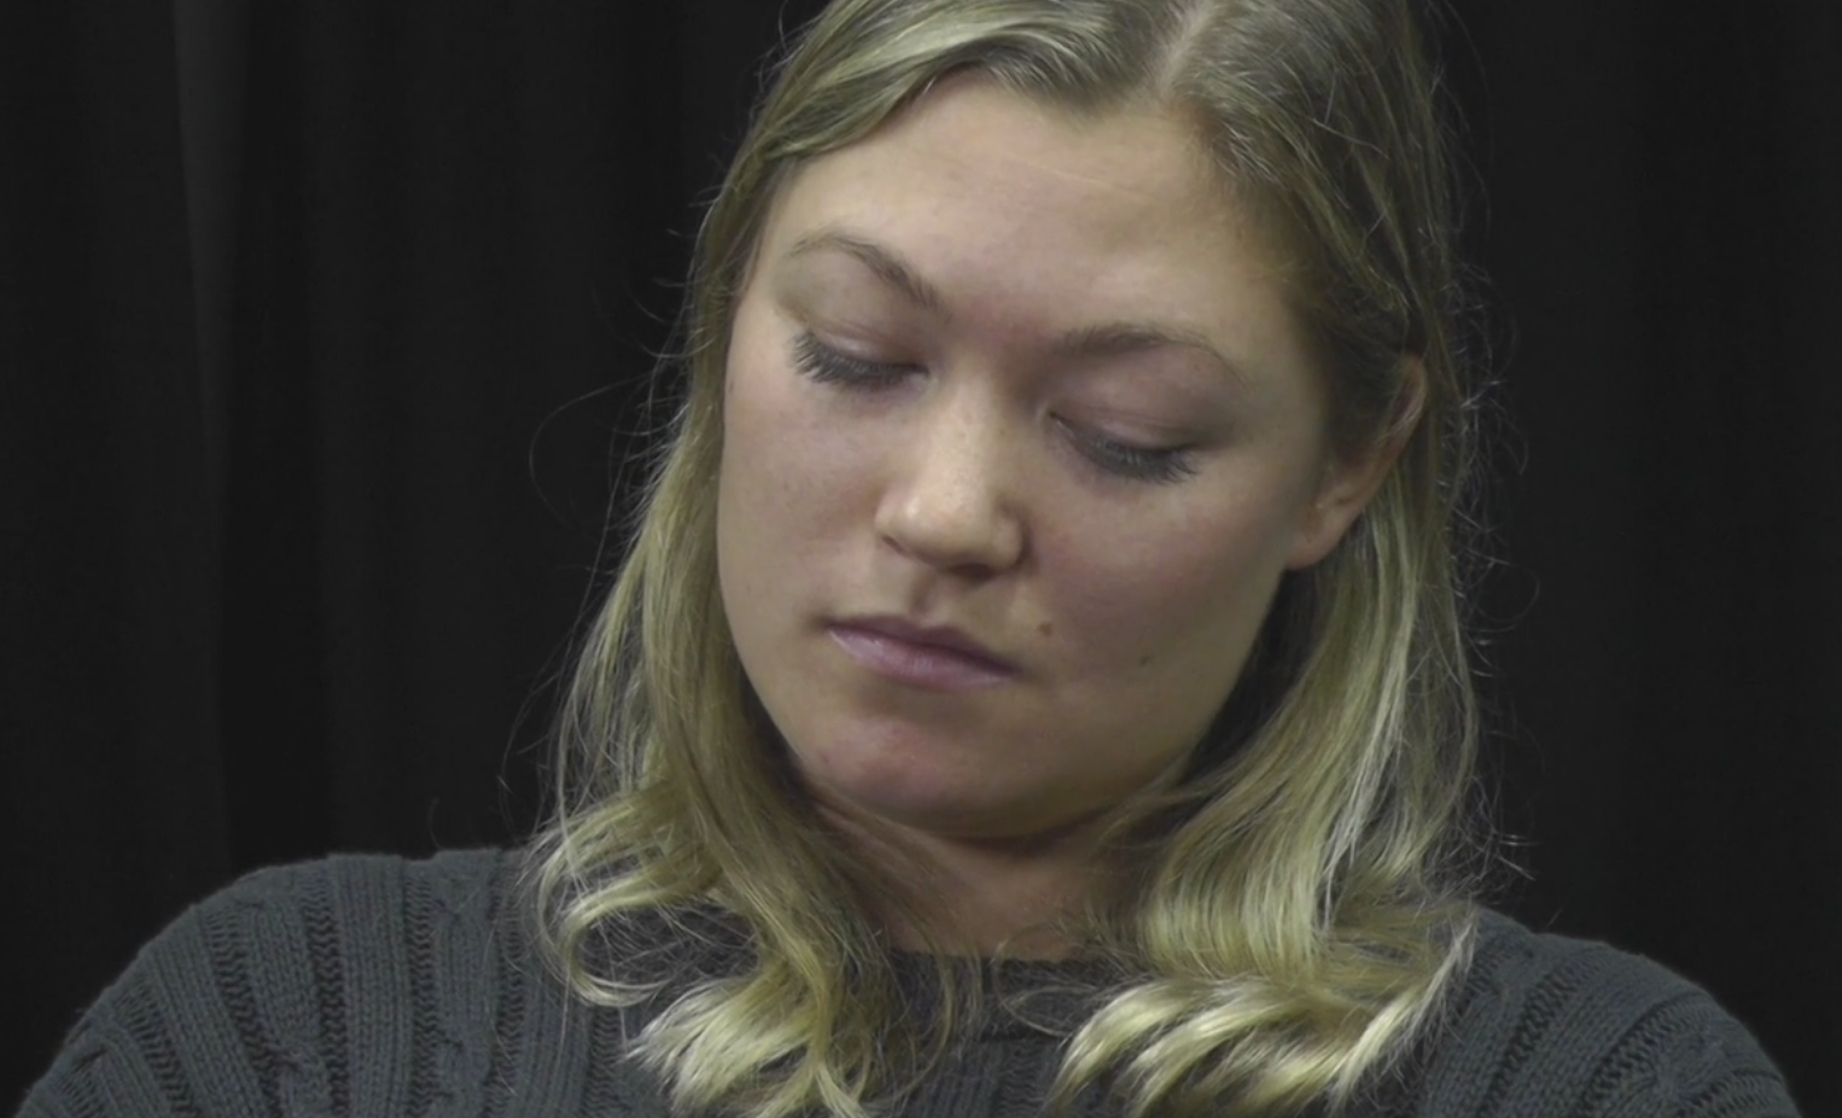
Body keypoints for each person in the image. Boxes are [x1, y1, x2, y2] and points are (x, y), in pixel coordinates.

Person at [19, 0, 1799, 1115]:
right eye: (857, 357)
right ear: (726, 319)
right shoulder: (295, 1030)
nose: (945, 512)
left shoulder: (1594, 1085)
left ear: (1346, 464)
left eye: (1122, 431)